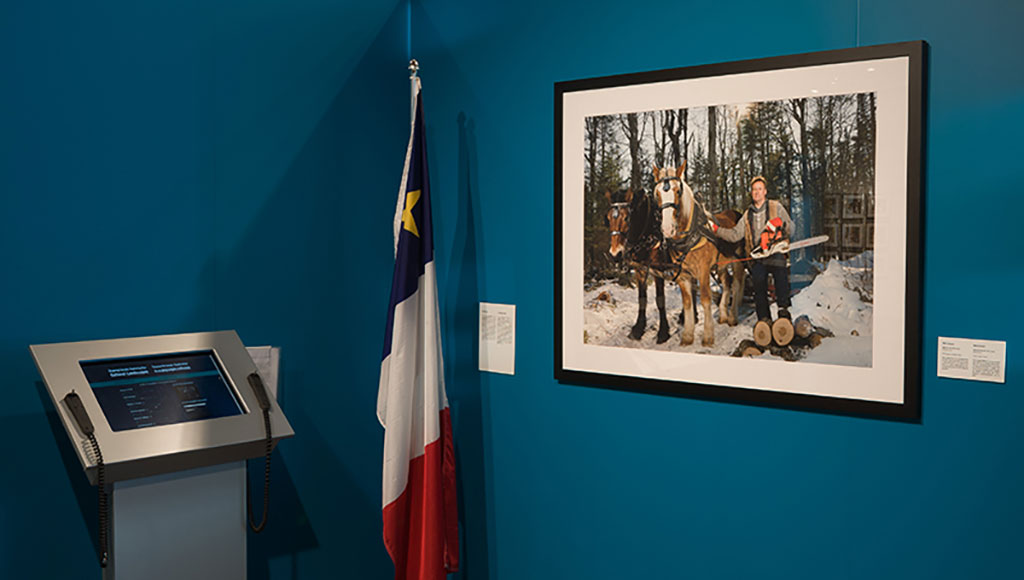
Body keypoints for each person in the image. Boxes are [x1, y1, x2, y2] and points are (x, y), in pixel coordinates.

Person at [713, 176, 795, 324]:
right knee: (758, 285)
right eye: (754, 190)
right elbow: (734, 235)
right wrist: (716, 230)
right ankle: (764, 319)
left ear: (765, 192)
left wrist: (780, 225)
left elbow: (792, 229)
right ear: (751, 193)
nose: (757, 192)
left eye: (759, 189)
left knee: (780, 276)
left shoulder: (776, 207)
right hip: (758, 256)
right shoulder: (747, 215)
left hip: (775, 252)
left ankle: (784, 313)